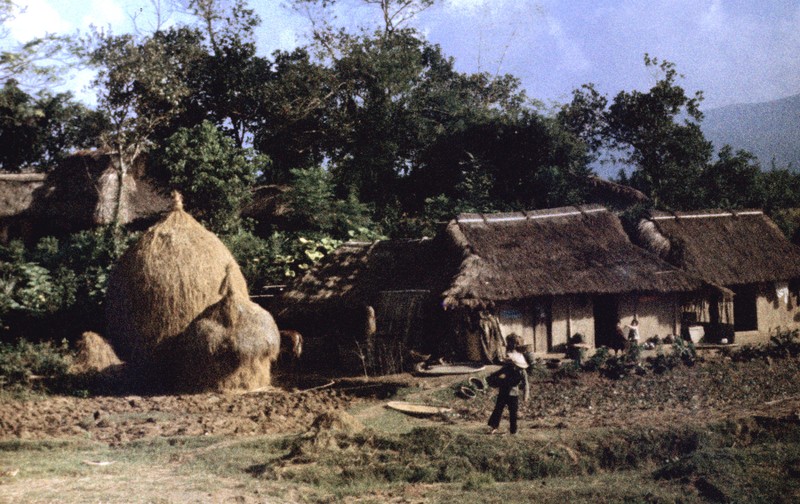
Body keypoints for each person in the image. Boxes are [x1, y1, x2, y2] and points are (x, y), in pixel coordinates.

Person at [487, 350, 530, 435]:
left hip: (514, 394)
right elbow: (494, 375)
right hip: (503, 392)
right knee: (498, 410)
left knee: (513, 413)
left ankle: (513, 431)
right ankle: (494, 427)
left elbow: (526, 384)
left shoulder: (522, 372)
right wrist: (497, 379)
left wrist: (525, 396)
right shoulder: (506, 368)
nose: (515, 367)